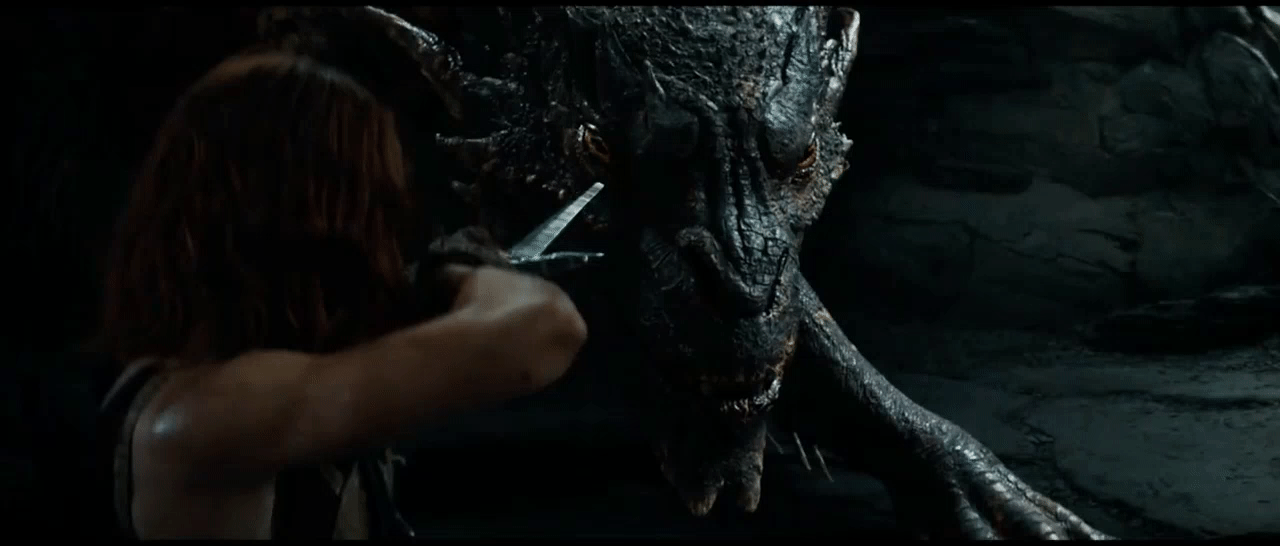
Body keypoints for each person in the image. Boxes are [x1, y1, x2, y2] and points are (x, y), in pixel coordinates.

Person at [93, 51, 587, 539]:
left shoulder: (249, 384)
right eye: (375, 207)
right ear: (319, 221)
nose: (388, 238)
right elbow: (547, 329)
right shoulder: (210, 414)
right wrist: (457, 273)